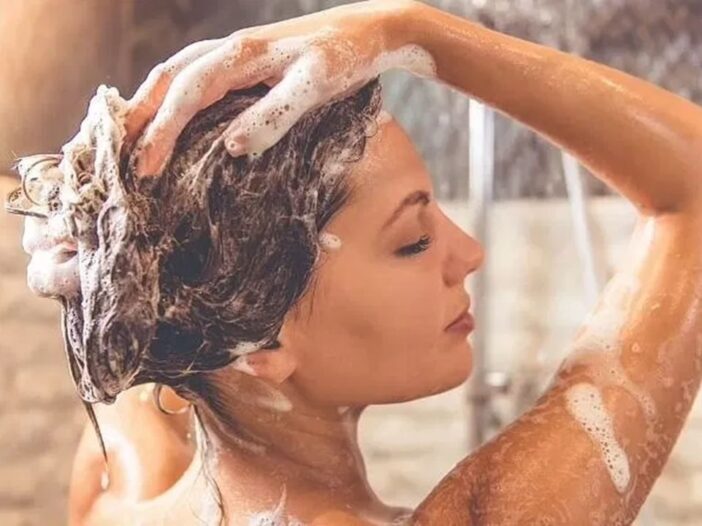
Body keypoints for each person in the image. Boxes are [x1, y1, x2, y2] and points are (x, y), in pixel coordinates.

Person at [11, 0, 702, 524]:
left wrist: (111, 235)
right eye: (413, 241)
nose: (469, 255)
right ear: (262, 344)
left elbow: (159, 344)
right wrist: (409, 29)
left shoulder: (121, 477)